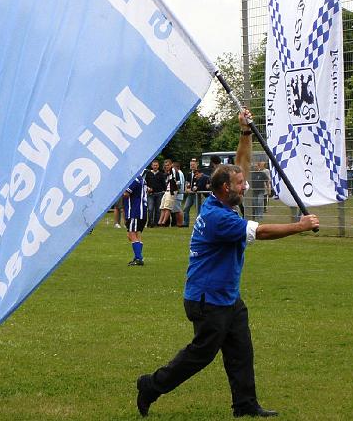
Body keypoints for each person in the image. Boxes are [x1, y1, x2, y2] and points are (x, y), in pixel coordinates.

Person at [135, 109, 320, 418]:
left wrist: (245, 133)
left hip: (225, 296)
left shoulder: (223, 199)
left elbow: (241, 165)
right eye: (239, 185)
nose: (244, 186)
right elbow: (261, 232)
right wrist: (300, 226)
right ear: (225, 189)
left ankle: (245, 405)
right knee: (200, 355)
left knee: (240, 350)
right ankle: (151, 385)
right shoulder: (218, 218)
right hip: (207, 300)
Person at [123, 173, 148, 266]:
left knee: (132, 233)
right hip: (142, 211)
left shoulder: (135, 179)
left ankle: (138, 258)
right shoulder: (142, 179)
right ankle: (137, 257)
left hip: (135, 210)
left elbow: (126, 193)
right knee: (136, 234)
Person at [144, 160, 165, 228]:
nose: (155, 166)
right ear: (151, 166)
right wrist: (147, 188)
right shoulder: (148, 173)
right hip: (150, 194)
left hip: (159, 194)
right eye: (154, 165)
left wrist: (163, 191)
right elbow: (145, 183)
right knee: (150, 209)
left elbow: (164, 184)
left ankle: (156, 223)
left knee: (158, 210)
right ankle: (150, 222)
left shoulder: (161, 174)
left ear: (158, 166)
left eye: (156, 165)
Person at [158, 159, 179, 227]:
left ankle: (163, 222)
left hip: (171, 191)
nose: (167, 167)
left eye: (168, 165)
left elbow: (176, 181)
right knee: (162, 207)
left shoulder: (173, 170)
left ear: (171, 165)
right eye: (165, 165)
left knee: (167, 207)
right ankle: (160, 221)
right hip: (166, 191)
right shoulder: (167, 173)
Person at [182, 158, 203, 223]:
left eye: (193, 165)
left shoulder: (200, 173)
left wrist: (196, 189)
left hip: (197, 194)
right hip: (190, 194)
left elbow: (200, 183)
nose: (192, 166)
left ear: (197, 164)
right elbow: (187, 183)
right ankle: (185, 222)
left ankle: (199, 223)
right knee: (185, 208)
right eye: (191, 165)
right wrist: (187, 189)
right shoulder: (189, 174)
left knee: (198, 209)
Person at [172, 161, 186, 227]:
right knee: (176, 209)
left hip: (178, 194)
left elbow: (179, 183)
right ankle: (178, 223)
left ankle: (180, 223)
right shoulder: (180, 173)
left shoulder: (179, 173)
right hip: (178, 194)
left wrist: (176, 190)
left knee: (178, 210)